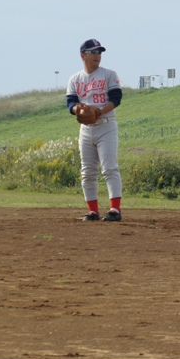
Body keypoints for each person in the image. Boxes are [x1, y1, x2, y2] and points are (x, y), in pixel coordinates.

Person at [66, 38, 123, 221]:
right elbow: (71, 103)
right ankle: (93, 211)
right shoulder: (75, 79)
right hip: (86, 129)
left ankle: (115, 209)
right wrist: (79, 110)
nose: (97, 56)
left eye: (99, 52)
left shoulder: (108, 75)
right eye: (94, 52)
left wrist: (98, 111)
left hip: (106, 125)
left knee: (109, 168)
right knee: (88, 170)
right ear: (83, 55)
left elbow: (116, 98)